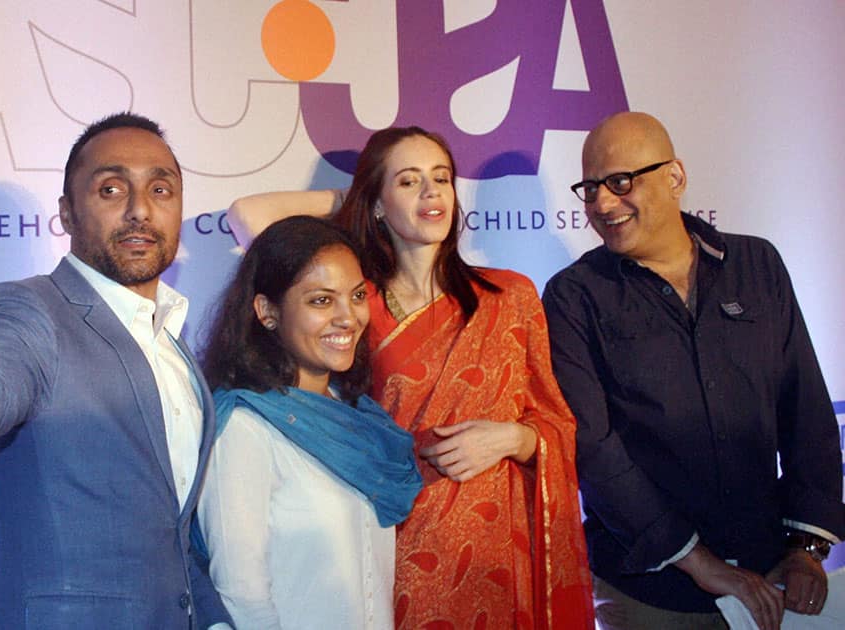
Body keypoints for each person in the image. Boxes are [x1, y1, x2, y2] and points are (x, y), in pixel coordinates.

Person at [0, 112, 232, 629]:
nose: (140, 210)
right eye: (111, 189)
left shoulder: (171, 340)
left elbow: (174, 534)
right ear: (67, 213)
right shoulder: (32, 310)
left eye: (161, 189)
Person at [227, 127, 594, 629]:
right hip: (397, 540)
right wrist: (355, 197)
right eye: (408, 181)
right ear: (378, 202)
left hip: (499, 556)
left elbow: (558, 424)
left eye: (441, 178)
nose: (431, 193)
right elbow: (250, 216)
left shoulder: (510, 297)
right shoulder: (355, 307)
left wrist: (515, 437)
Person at [542, 111, 845, 630]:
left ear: (675, 178)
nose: (602, 205)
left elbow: (806, 409)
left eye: (619, 182)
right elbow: (593, 448)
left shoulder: (758, 265)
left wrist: (806, 548)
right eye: (590, 189)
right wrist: (697, 562)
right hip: (648, 593)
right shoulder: (574, 295)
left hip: (769, 575)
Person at [196, 215, 422, 629]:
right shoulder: (247, 429)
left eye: (356, 296)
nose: (348, 318)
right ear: (267, 311)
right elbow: (241, 596)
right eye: (321, 300)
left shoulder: (359, 419)